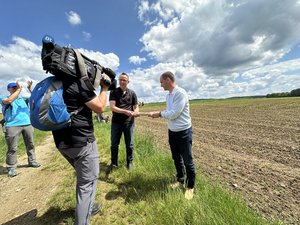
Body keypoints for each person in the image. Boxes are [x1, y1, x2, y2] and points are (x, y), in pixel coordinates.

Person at [51, 77, 109, 225]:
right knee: (87, 184)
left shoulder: (55, 84)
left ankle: (88, 206)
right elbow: (100, 107)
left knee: (84, 178)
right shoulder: (77, 83)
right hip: (82, 143)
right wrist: (104, 88)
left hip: (62, 143)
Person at [148, 71, 196, 200]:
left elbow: (174, 113)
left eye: (161, 82)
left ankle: (190, 186)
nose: (160, 85)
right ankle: (180, 179)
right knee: (176, 158)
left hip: (184, 132)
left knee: (187, 160)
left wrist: (158, 114)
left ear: (168, 79)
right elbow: (169, 111)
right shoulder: (169, 96)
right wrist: (162, 113)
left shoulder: (180, 93)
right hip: (172, 132)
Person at [0, 81, 40, 177]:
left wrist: (30, 88)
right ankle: (11, 167)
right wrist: (19, 89)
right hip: (12, 125)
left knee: (30, 144)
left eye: (16, 87)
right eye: (13, 87)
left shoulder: (23, 98)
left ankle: (32, 161)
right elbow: (9, 101)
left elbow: (35, 98)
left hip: (27, 124)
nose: (14, 88)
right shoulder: (3, 98)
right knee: (12, 148)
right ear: (8, 89)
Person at [106, 72, 139, 174]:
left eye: (124, 80)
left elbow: (136, 106)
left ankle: (129, 163)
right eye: (120, 79)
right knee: (114, 144)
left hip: (128, 123)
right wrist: (125, 111)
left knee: (129, 144)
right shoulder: (113, 92)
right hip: (116, 123)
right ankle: (114, 163)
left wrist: (136, 112)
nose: (122, 81)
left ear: (128, 82)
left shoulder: (132, 93)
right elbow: (112, 107)